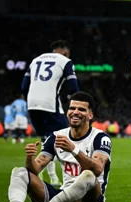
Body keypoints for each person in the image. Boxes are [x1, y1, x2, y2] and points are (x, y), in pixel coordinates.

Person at [0, 92, 111, 202]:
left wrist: (74, 149)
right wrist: (29, 159)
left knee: (88, 175)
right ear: (67, 112)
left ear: (90, 115)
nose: (75, 112)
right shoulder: (56, 136)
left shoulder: (100, 138)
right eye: (72, 108)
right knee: (20, 172)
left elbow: (98, 168)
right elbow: (36, 169)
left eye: (81, 109)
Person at [21, 40, 79, 187]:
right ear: (66, 52)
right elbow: (73, 87)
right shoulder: (65, 61)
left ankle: (50, 177)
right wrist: (70, 98)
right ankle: (69, 179)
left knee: (46, 141)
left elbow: (23, 87)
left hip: (32, 105)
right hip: (50, 105)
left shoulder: (36, 60)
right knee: (64, 139)